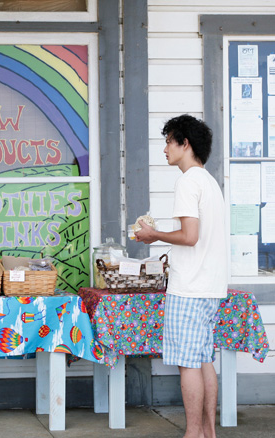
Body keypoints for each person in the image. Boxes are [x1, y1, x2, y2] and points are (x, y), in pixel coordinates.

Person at [135, 115, 227, 438]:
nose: (165, 149)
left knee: (189, 363)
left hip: (189, 287)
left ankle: (192, 433)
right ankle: (208, 432)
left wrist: (153, 235)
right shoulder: (210, 182)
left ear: (184, 143)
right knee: (204, 359)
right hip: (211, 287)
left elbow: (190, 236)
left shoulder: (188, 182)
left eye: (168, 142)